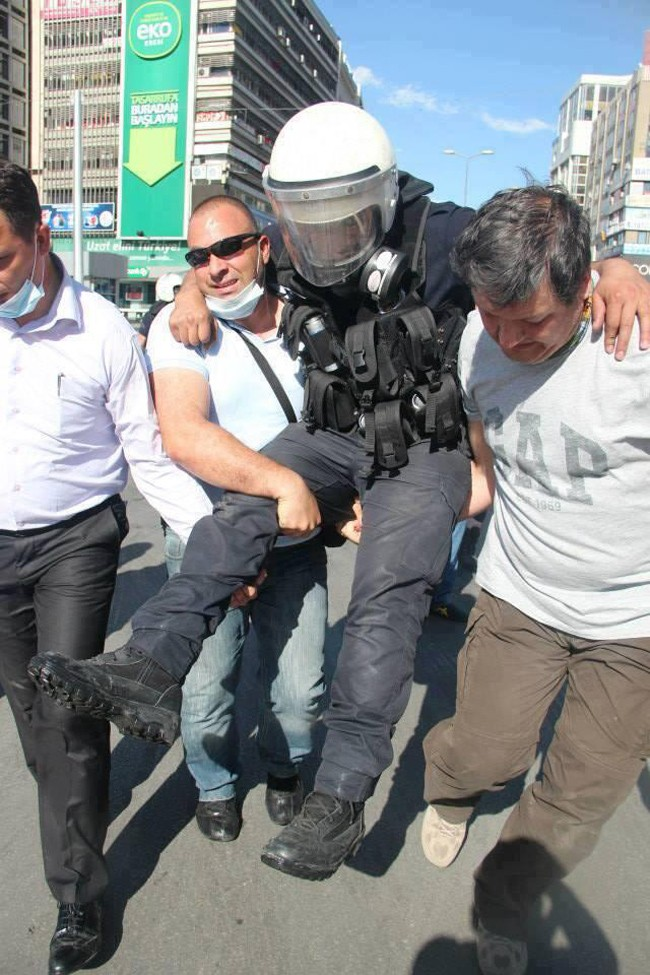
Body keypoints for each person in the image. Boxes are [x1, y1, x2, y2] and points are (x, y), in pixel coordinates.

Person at [30, 105, 650, 885]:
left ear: (383, 198)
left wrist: (616, 269)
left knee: (389, 597)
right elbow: (223, 262)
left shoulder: (444, 233)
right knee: (241, 509)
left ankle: (342, 793)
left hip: (427, 449)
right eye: (305, 223)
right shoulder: (287, 247)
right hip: (336, 426)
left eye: (342, 221)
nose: (323, 244)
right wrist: (188, 290)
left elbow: (538, 256)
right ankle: (149, 665)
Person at [419, 184, 649, 975]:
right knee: (485, 748)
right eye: (492, 317)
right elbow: (487, 455)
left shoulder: (639, 344)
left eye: (534, 324)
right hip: (522, 590)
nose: (510, 339)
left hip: (636, 621)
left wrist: (629, 265)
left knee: (583, 790)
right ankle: (454, 784)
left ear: (586, 288)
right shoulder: (476, 345)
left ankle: (502, 896)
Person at [0, 163, 214, 975]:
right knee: (31, 717)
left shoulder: (104, 334)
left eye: (2, 261)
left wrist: (213, 541)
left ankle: (77, 895)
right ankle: (73, 798)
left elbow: (149, 458)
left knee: (66, 715)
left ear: (41, 238)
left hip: (77, 542)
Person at [146, 194, 327, 842]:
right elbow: (184, 436)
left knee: (302, 688)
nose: (216, 265)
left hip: (297, 542)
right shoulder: (180, 325)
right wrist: (280, 482)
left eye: (229, 248)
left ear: (264, 246)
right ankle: (215, 781)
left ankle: (284, 767)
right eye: (200, 256)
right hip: (208, 531)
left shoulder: (310, 319)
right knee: (206, 689)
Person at [136, 271, 182, 348]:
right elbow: (141, 340)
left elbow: (141, 341)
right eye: (178, 289)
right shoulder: (153, 313)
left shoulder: (153, 312)